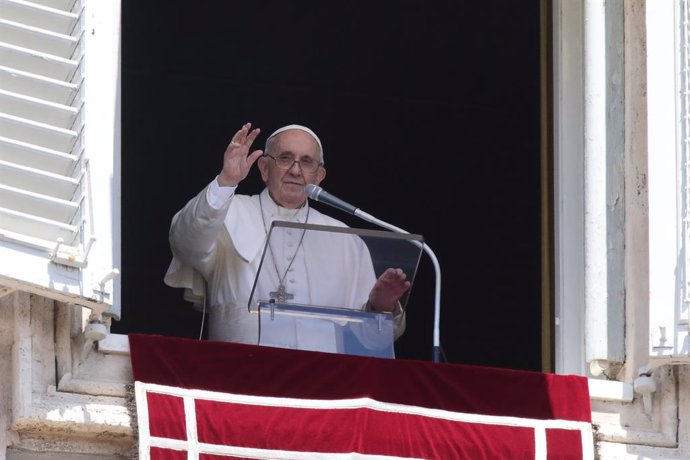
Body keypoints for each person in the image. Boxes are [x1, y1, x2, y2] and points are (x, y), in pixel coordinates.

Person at [164, 122, 410, 353]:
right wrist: (226, 181)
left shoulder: (346, 240)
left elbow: (369, 342)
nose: (295, 170)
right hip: (239, 373)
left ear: (319, 176)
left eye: (306, 162)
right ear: (264, 168)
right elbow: (185, 242)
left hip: (321, 385)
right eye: (285, 158)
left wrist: (379, 308)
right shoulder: (227, 211)